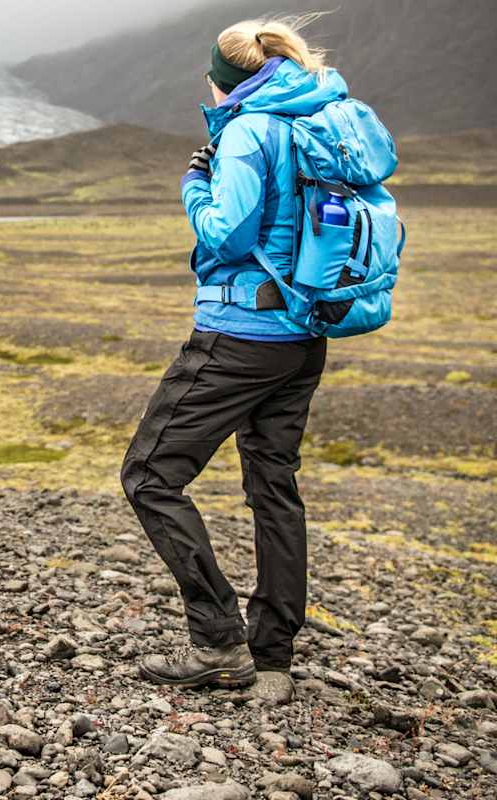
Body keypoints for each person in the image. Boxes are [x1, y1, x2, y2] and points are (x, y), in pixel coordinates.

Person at [121, 15, 349, 692]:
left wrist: (195, 187)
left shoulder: (251, 129)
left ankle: (218, 641)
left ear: (224, 81)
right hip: (302, 336)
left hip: (239, 335)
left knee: (150, 476)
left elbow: (226, 232)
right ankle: (273, 653)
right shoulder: (313, 120)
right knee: (274, 487)